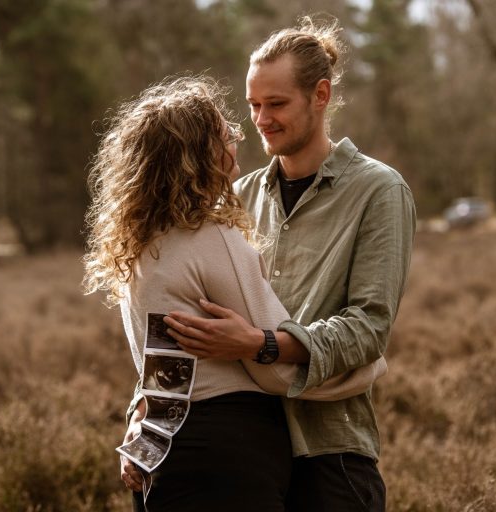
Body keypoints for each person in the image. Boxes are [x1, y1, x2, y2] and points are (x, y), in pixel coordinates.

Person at [82, 76, 386, 512]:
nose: (239, 139)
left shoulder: (140, 245)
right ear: (199, 154)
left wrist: (141, 423)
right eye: (227, 135)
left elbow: (163, 367)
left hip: (162, 450)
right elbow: (275, 370)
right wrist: (365, 372)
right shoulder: (212, 236)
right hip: (227, 451)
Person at [164, 17, 416, 512]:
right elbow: (178, 314)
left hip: (330, 449)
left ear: (320, 95)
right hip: (245, 452)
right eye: (254, 105)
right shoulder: (236, 194)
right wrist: (144, 421)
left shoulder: (379, 191)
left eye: (276, 104)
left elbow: (369, 328)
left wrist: (261, 345)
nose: (261, 119)